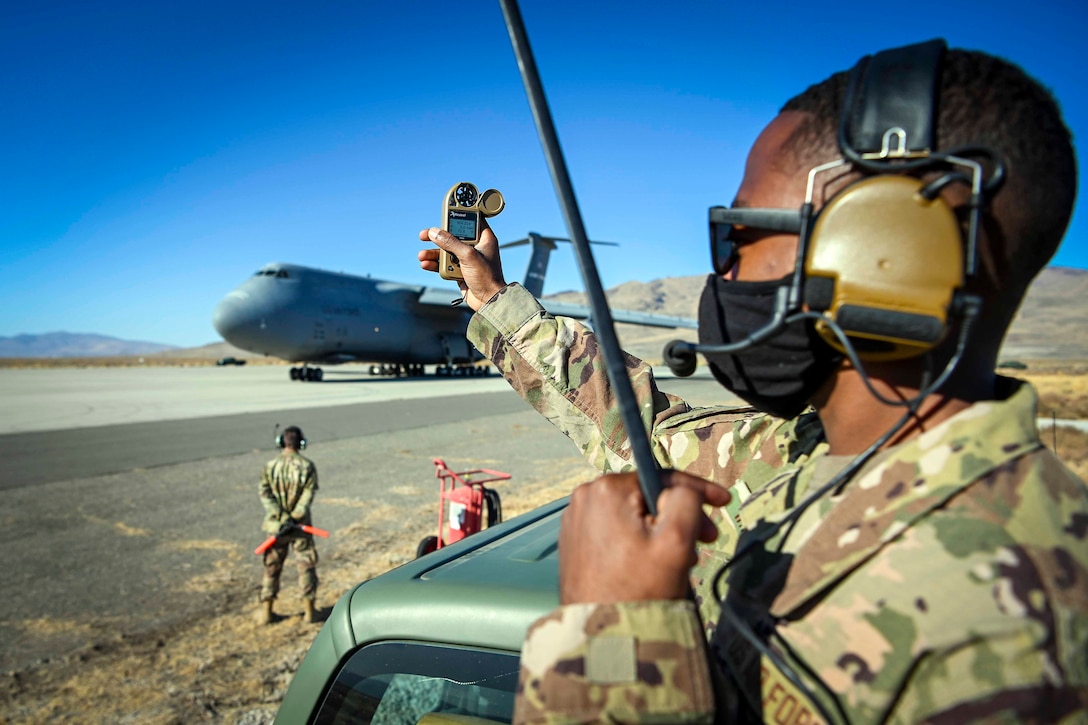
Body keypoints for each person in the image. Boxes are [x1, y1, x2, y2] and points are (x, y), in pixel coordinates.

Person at [418, 41, 1088, 723]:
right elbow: (643, 432)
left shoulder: (1016, 641)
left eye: (740, 236)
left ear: (883, 252)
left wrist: (610, 633)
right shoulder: (804, 454)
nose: (723, 276)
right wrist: (492, 296)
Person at [257, 425, 320, 625]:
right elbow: (308, 495)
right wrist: (295, 516)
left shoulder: (270, 465)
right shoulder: (307, 466)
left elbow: (265, 493)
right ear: (301, 443)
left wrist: (280, 516)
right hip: (300, 527)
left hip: (277, 527)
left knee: (271, 568)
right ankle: (310, 612)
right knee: (306, 566)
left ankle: (266, 611)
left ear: (281, 443)